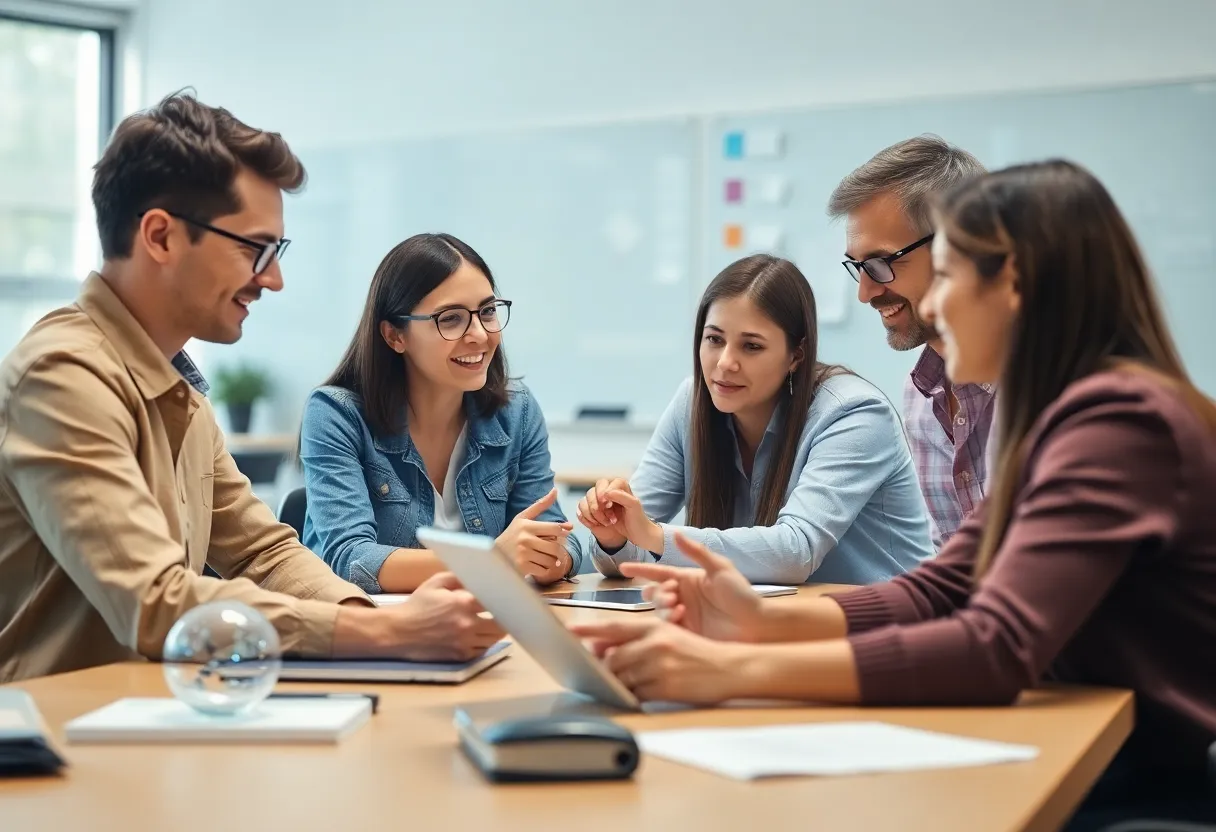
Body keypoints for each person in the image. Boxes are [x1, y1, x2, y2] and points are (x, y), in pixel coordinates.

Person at [572, 160, 1216, 823]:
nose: (933, 306)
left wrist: (731, 671)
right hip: (1086, 749)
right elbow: (943, 587)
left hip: (1146, 779)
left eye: (951, 278)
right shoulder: (1063, 418)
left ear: (1013, 285)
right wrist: (762, 621)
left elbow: (995, 645)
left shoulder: (1118, 421)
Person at [0, 93, 501, 684]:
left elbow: (263, 553)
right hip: (60, 737)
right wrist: (389, 633)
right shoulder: (64, 375)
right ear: (159, 237)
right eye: (254, 249)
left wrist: (372, 615)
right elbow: (156, 601)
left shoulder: (174, 384)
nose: (274, 278)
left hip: (156, 717)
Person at [578, 254, 932, 585]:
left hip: (886, 633)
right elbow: (627, 555)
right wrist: (612, 537)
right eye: (714, 339)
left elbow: (794, 552)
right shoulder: (693, 402)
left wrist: (652, 534)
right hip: (769, 628)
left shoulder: (854, 413)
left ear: (796, 354)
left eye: (751, 346)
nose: (725, 363)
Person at [299, 233, 583, 593]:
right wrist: (491, 560)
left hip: (481, 626)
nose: (479, 334)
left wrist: (551, 555)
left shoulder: (517, 410)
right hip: (368, 633)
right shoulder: (336, 414)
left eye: (488, 311)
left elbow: (559, 537)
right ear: (394, 336)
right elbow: (352, 560)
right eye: (451, 319)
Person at [827, 135, 991, 548]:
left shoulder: (1050, 385)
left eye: (881, 263)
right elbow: (949, 572)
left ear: (957, 249)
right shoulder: (922, 397)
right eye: (858, 267)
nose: (865, 293)